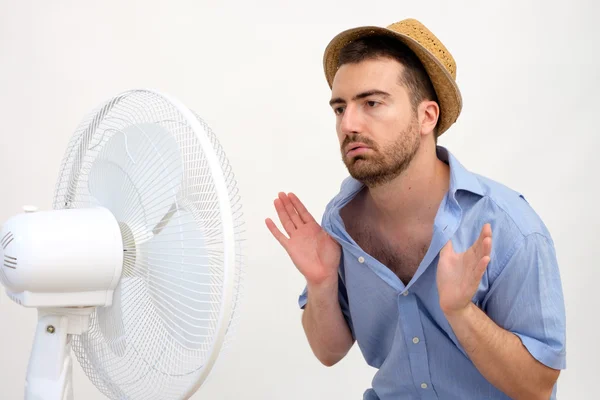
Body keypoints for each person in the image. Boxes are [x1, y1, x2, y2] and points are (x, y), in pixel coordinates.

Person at [265, 18, 566, 400]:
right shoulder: (339, 223)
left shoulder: (509, 228)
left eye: (371, 103)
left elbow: (537, 387)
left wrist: (462, 313)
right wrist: (323, 284)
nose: (349, 124)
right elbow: (328, 352)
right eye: (340, 109)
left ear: (427, 117)